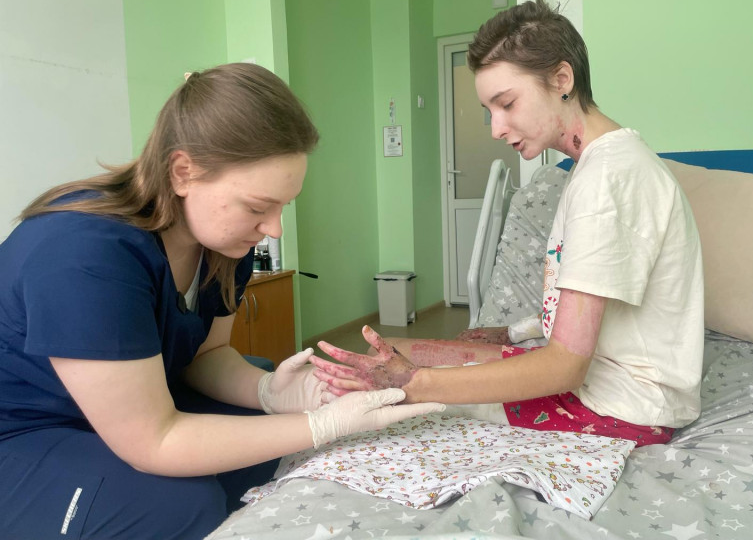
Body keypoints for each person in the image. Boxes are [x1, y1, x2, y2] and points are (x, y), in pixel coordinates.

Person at [0, 63, 443, 540]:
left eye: (283, 206)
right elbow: (153, 440)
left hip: (129, 410)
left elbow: (206, 355)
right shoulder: (82, 254)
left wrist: (271, 392)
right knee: (178, 505)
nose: (273, 229)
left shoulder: (224, 246)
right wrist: (322, 425)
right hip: (26, 430)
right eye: (257, 207)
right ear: (183, 172)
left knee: (266, 430)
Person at [312, 0, 705, 448]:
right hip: (603, 381)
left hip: (623, 407)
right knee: (395, 352)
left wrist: (417, 384)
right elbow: (593, 312)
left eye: (507, 104)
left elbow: (565, 366)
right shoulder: (601, 165)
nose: (496, 128)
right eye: (490, 111)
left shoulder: (608, 180)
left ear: (561, 79)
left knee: (385, 392)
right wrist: (513, 332)